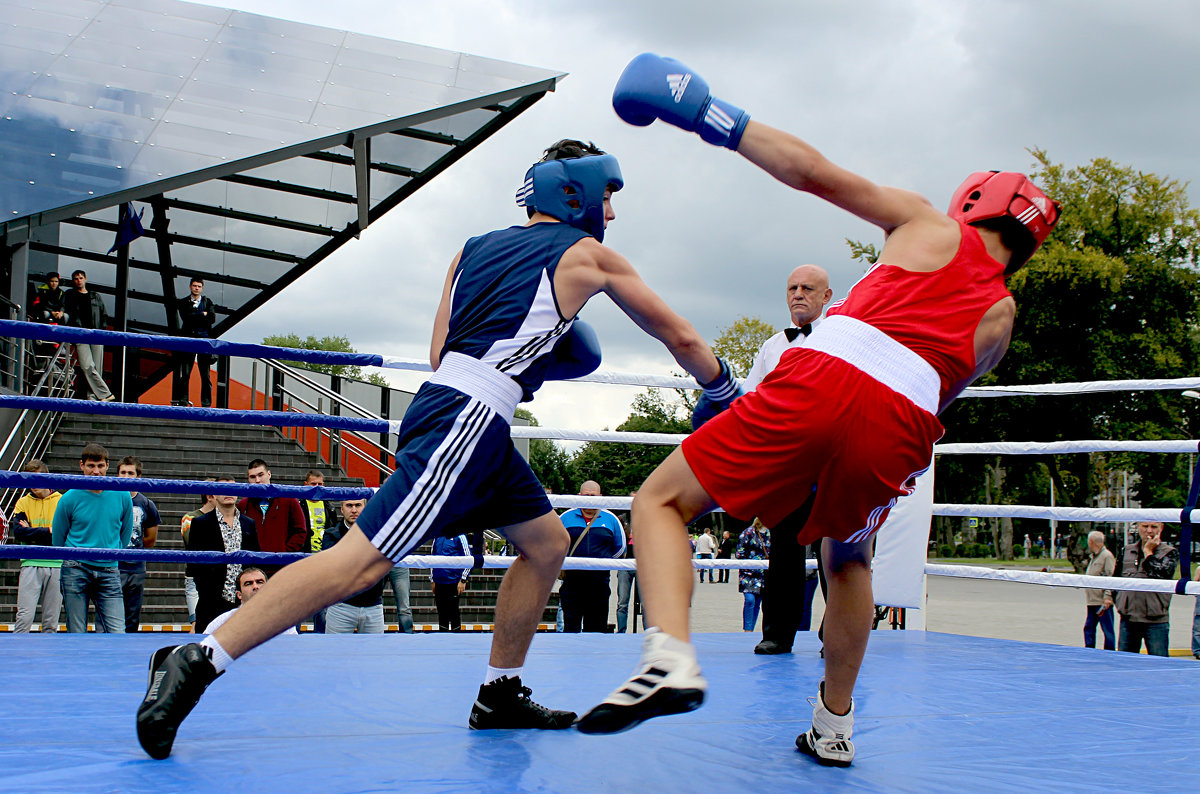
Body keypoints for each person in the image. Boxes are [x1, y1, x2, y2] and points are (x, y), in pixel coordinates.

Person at [136, 137, 731, 760]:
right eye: (607, 197)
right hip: (467, 421)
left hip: (461, 409)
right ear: (575, 189)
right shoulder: (585, 255)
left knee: (547, 543)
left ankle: (499, 690)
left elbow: (438, 350)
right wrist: (725, 387)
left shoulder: (468, 252)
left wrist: (526, 356)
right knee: (359, 563)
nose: (611, 214)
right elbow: (681, 335)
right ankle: (200, 654)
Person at [578, 53, 1061, 770]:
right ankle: (835, 725)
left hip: (827, 377)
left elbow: (812, 172)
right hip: (900, 428)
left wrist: (709, 114)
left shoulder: (930, 226)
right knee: (849, 559)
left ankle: (671, 654)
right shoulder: (1003, 315)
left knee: (660, 500)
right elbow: (939, 392)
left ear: (974, 200)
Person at [745, 265, 834, 654]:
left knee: (838, 550)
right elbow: (749, 401)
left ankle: (839, 632)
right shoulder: (772, 346)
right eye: (792, 288)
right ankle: (777, 634)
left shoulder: (845, 339)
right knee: (784, 550)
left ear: (826, 296)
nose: (798, 293)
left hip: (834, 458)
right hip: (788, 460)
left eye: (807, 288)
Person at [52, 443, 133, 632]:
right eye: (91, 466)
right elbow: (58, 538)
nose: (96, 471)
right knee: (77, 631)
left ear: (107, 466)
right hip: (76, 568)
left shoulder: (122, 495)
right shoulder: (69, 498)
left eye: (100, 466)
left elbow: (126, 533)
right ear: (81, 465)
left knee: (117, 630)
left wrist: (112, 552)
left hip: (109, 568)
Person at [187, 477, 259, 633]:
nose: (228, 493)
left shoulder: (249, 524)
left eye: (232, 488)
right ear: (213, 495)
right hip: (211, 602)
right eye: (223, 488)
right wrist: (207, 591)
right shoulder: (200, 524)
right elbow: (194, 565)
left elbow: (254, 560)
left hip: (242, 602)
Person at [559, 480, 627, 633]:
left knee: (597, 629)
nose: (589, 498)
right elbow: (553, 544)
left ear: (600, 497)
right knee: (570, 630)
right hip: (572, 582)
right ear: (579, 496)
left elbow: (620, 547)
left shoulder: (611, 519)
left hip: (600, 583)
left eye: (593, 495)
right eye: (586, 495)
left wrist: (604, 564)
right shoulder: (565, 518)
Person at [1108, 521, 1177, 657]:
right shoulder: (1127, 551)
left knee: (1159, 665)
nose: (1149, 531)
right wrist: (1121, 603)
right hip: (1129, 619)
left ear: (1161, 528)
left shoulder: (1169, 552)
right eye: (1145, 526)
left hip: (1155, 620)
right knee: (1124, 663)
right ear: (1138, 527)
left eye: (1154, 527)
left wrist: (1148, 552)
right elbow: (1115, 580)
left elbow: (1161, 574)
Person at [10, 459, 64, 633]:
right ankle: (18, 656)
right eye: (29, 480)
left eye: (37, 479)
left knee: (51, 621)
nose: (33, 485)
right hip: (30, 562)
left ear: (47, 477)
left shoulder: (61, 501)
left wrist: (32, 530)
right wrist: (47, 530)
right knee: (24, 618)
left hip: (56, 564)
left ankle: (48, 658)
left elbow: (61, 535)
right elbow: (19, 533)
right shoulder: (22, 502)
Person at [322, 498, 386, 634]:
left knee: (373, 654)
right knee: (334, 653)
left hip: (373, 604)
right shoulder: (331, 535)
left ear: (365, 507)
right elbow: (334, 568)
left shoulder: (379, 534)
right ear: (342, 509)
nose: (354, 510)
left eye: (358, 505)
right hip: (340, 606)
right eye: (349, 505)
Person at [117, 456, 161, 633]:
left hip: (136, 566)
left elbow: (151, 539)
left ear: (138, 476)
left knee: (132, 616)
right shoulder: (109, 499)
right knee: (107, 613)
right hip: (112, 565)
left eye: (130, 473)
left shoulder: (147, 504)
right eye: (123, 472)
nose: (126, 476)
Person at [238, 458, 306, 571]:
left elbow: (300, 531)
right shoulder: (243, 505)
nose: (258, 480)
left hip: (281, 567)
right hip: (253, 568)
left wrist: (283, 553)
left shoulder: (289, 499)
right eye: (253, 477)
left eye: (261, 475)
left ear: (269, 474)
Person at [62, 270, 115, 401]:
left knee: (96, 367)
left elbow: (104, 315)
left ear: (85, 279)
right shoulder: (70, 295)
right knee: (87, 366)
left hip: (96, 334)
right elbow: (63, 308)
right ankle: (106, 394)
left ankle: (92, 396)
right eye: (75, 278)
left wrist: (102, 331)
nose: (78, 280)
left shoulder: (95, 296)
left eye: (80, 278)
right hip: (80, 334)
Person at [203, 568, 298, 635]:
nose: (255, 586)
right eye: (248, 584)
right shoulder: (222, 622)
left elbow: (294, 652)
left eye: (259, 582)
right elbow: (204, 649)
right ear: (239, 595)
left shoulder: (283, 622)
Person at [171, 277, 216, 407]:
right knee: (185, 374)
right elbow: (186, 318)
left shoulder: (208, 302)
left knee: (205, 375)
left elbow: (212, 319)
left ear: (202, 288)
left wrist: (196, 316)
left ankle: (206, 404)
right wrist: (203, 314)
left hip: (204, 341)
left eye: (199, 286)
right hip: (189, 341)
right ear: (190, 286)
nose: (196, 288)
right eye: (195, 286)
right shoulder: (184, 302)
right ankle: (183, 401)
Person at [180, 482, 216, 628]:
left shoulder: (225, 517)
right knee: (196, 623)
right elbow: (192, 543)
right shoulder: (190, 518)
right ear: (210, 496)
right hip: (195, 576)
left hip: (217, 575)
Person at [1082, 530, 1116, 650]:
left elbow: (1110, 577)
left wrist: (1108, 597)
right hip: (1092, 601)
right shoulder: (1094, 557)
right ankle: (1089, 649)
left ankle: (1109, 652)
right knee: (1089, 627)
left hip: (1102, 602)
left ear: (1091, 542)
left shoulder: (1107, 556)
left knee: (1107, 629)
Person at [431, 533, 471, 631]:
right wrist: (432, 579)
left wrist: (463, 579)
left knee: (454, 612)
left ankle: (456, 641)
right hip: (439, 581)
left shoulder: (460, 536)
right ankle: (442, 640)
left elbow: (468, 558)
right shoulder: (437, 536)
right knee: (441, 613)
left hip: (454, 582)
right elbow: (432, 558)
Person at [735, 520, 770, 632]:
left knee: (757, 603)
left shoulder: (771, 533)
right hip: (748, 573)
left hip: (764, 574)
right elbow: (739, 552)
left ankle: (750, 629)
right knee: (750, 600)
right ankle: (747, 630)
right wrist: (751, 561)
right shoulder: (748, 532)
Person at [615, 494, 638, 633]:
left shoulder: (648, 518)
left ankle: (648, 632)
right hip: (625, 564)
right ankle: (621, 630)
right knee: (622, 602)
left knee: (646, 604)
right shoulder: (621, 519)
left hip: (643, 564)